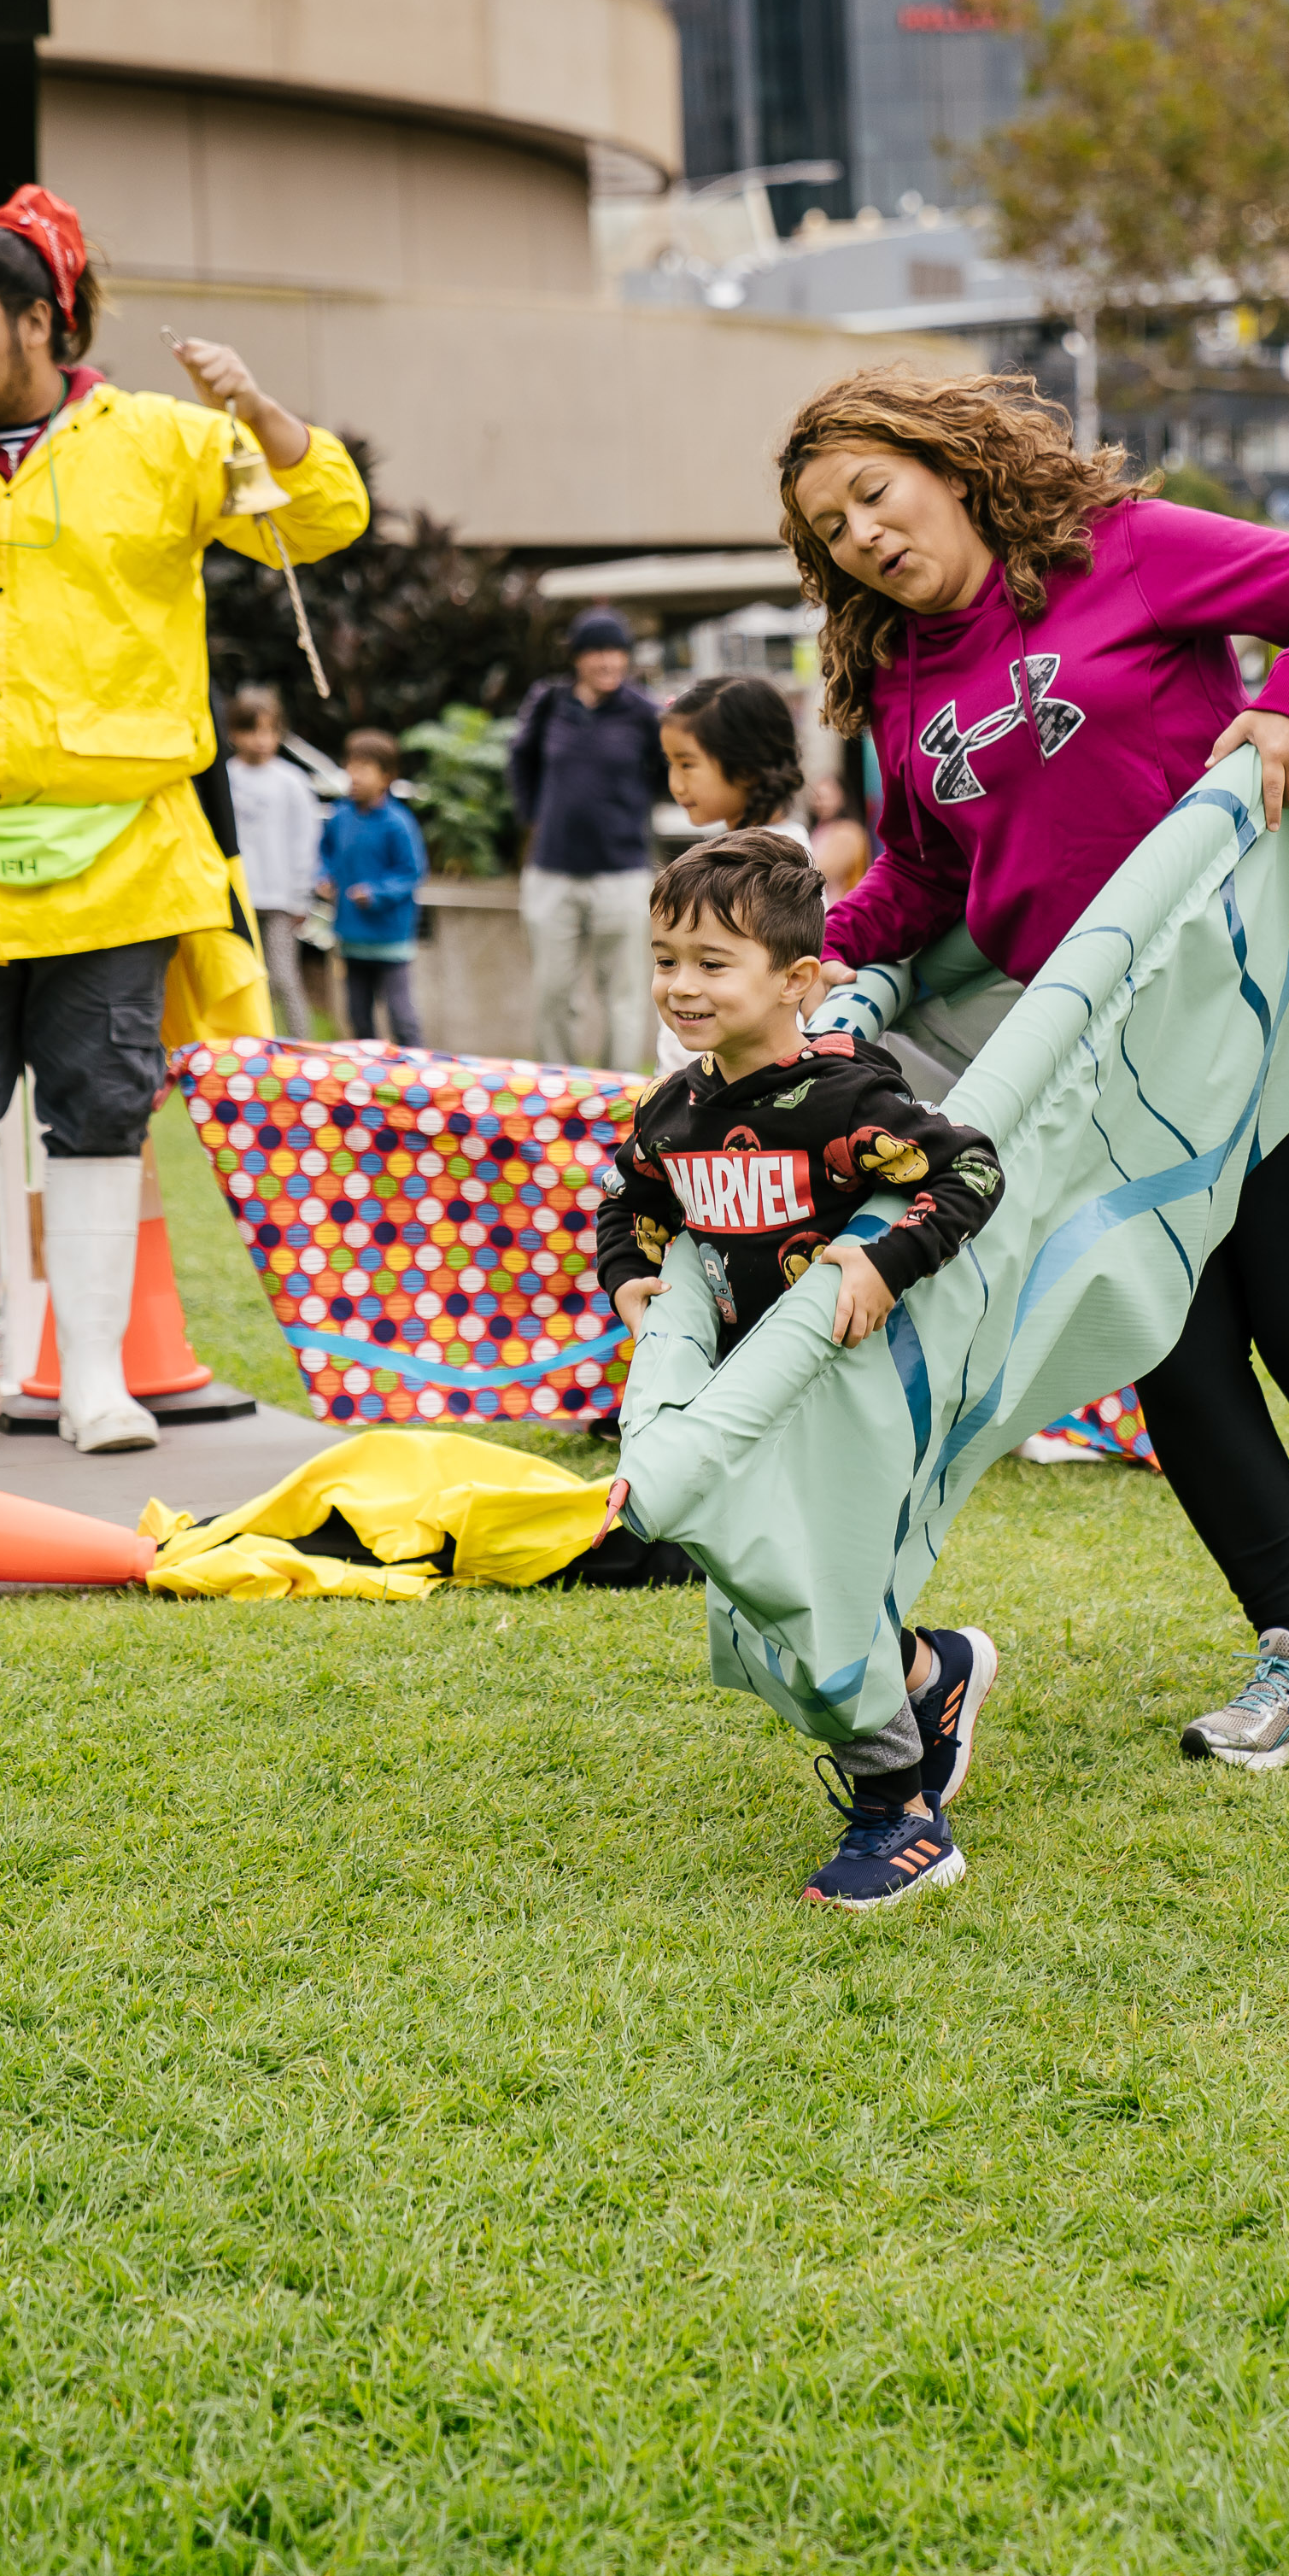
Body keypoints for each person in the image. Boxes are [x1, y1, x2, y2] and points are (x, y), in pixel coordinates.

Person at [784, 366, 1289, 1771]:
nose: (861, 536)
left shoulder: (1118, 553)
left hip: (1267, 995)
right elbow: (927, 873)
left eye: (872, 494)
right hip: (1102, 1056)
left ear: (947, 466)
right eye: (830, 530)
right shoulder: (900, 681)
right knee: (1172, 1346)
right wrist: (816, 962)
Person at [0, 184, 366, 1454]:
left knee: (99, 1107)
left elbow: (325, 516)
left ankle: (97, 1376)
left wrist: (258, 409)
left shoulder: (163, 439)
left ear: (39, 322)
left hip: (123, 849)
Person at [595, 827, 1005, 1908]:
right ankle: (931, 1671)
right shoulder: (675, 1108)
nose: (681, 985)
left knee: (815, 1587)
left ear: (796, 980)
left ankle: (903, 1815)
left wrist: (881, 1256)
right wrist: (629, 1278)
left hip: (849, 1388)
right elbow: (631, 1200)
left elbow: (969, 1169)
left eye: (711, 961)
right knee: (770, 1577)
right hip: (744, 1393)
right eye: (665, 959)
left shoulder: (842, 1100)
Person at [507, 608, 665, 1069]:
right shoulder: (549, 704)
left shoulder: (644, 713)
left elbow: (668, 771)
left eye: (617, 652)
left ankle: (621, 1092)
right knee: (553, 992)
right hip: (552, 872)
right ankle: (558, 1086)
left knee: (623, 994)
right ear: (577, 657)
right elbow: (521, 760)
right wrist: (533, 817)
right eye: (597, 652)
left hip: (622, 873)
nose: (608, 662)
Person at [653, 674, 809, 1075]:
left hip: (733, 1088)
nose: (675, 783)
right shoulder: (727, 856)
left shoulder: (781, 868)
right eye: (670, 764)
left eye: (688, 764)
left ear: (747, 765)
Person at [319, 729, 428, 1044]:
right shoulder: (340, 816)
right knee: (358, 1017)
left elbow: (411, 872)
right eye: (351, 766)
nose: (354, 775)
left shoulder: (398, 822)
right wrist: (324, 877)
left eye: (364, 768)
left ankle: (416, 1070)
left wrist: (376, 893)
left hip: (390, 939)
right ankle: (367, 1074)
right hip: (351, 937)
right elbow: (326, 854)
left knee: (401, 1017)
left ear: (386, 777)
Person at [226, 687, 322, 1032]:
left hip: (281, 899)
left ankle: (303, 1048)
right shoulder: (224, 778)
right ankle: (252, 1045)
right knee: (242, 977)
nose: (261, 740)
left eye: (269, 731)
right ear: (233, 732)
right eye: (252, 730)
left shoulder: (292, 781)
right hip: (238, 898)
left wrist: (301, 895)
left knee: (283, 977)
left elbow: (305, 840)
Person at [806, 768, 871, 896]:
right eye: (817, 798)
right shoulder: (819, 829)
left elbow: (821, 871)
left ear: (841, 796)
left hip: (842, 902)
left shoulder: (848, 831)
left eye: (826, 797)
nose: (821, 803)